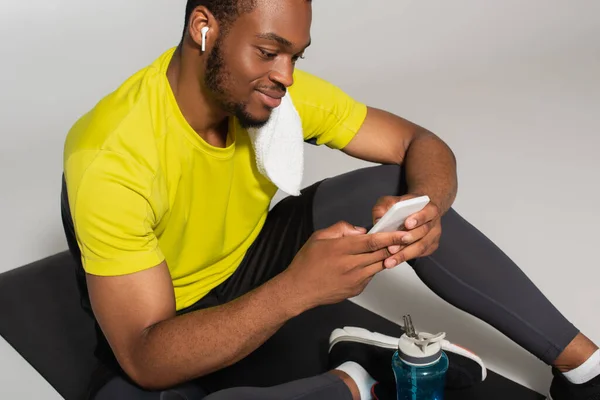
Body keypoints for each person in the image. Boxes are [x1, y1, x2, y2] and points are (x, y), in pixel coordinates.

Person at [61, 0, 600, 399]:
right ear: (204, 28)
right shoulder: (112, 157)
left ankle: (584, 368)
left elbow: (419, 143)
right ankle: (359, 378)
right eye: (269, 52)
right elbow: (146, 358)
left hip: (253, 264)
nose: (286, 77)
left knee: (392, 186)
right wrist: (296, 290)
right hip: (164, 321)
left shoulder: (274, 94)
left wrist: (428, 204)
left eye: (295, 56)